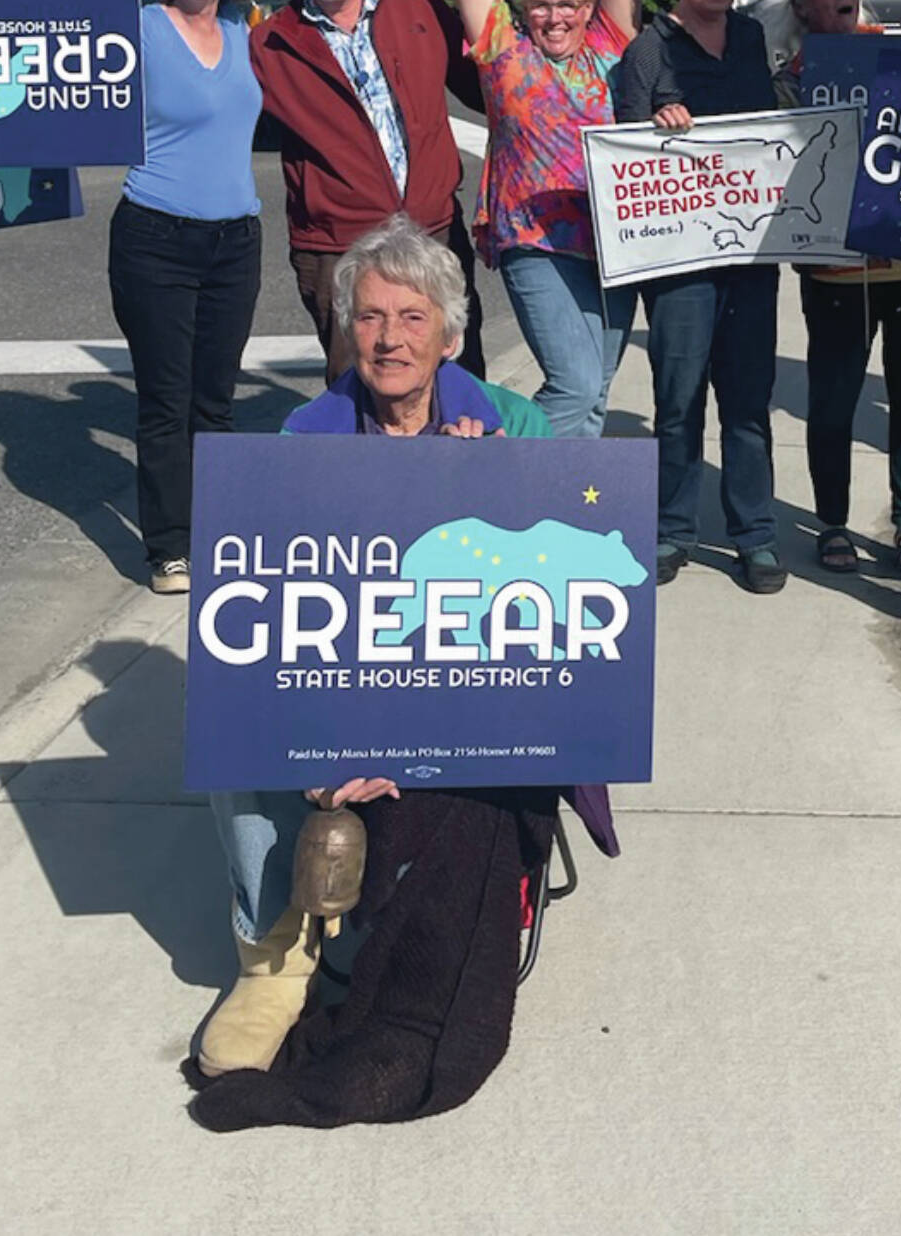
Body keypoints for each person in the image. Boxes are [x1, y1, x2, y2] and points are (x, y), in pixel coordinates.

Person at [196, 216, 616, 1105]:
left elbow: (559, 625)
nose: (390, 338)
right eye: (372, 317)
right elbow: (274, 622)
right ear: (348, 329)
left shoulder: (516, 427)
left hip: (465, 699)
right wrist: (318, 753)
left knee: (495, 765)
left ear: (452, 335)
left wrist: (501, 496)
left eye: (413, 317)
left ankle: (428, 947)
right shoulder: (304, 440)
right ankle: (274, 956)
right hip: (347, 692)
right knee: (230, 721)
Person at [0, 0, 265, 596]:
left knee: (215, 404)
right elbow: (41, 43)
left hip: (237, 240)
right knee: (167, 402)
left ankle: (218, 538)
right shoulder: (136, 29)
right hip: (156, 236)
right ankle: (169, 549)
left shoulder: (246, 30)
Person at [381, 0, 646, 436]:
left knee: (596, 394)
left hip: (614, 242)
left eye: (569, 6)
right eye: (544, 5)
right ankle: (499, 471)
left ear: (589, 8)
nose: (557, 17)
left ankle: (562, 520)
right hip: (535, 239)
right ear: (525, 7)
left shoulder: (612, 42)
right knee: (576, 384)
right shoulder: (503, 48)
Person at [612, 0, 785, 596]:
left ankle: (756, 535)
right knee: (678, 398)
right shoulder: (648, 49)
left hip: (749, 254)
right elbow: (624, 152)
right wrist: (659, 125)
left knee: (748, 401)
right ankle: (672, 528)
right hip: (679, 260)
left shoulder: (749, 38)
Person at [251, 0, 486, 382]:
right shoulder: (268, 46)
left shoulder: (418, 9)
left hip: (433, 233)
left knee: (459, 389)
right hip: (339, 245)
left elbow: (492, 90)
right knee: (359, 398)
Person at [776, 0, 901, 574]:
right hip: (834, 272)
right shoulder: (790, 77)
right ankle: (832, 523)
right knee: (833, 399)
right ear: (801, 6)